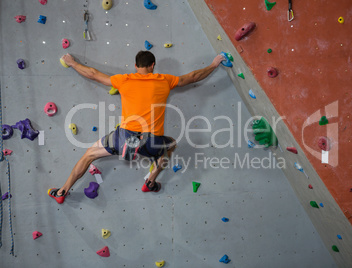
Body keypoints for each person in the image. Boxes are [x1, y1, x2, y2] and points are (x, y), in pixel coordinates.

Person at [48, 51, 224, 204]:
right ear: (153, 65)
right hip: (151, 142)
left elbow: (93, 74)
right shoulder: (165, 80)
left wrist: (72, 63)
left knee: (88, 156)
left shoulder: (124, 80)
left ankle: (62, 191)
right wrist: (214, 64)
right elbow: (192, 77)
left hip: (124, 138)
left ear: (135, 66)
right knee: (169, 145)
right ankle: (150, 182)